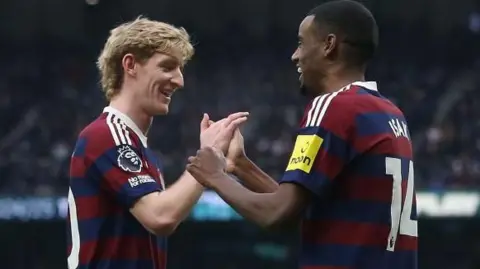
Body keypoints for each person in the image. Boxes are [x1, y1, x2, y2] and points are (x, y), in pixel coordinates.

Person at [186, 1, 418, 268]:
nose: (295, 55)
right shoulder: (389, 113)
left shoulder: (333, 107)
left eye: (301, 42)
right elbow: (297, 210)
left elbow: (276, 215)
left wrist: (214, 176)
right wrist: (241, 167)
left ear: (329, 45)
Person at [66, 17, 248, 269]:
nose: (179, 81)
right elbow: (160, 216)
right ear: (130, 65)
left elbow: (164, 220)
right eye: (167, 67)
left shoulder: (142, 152)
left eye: (180, 69)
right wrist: (209, 154)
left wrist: (215, 162)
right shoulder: (105, 134)